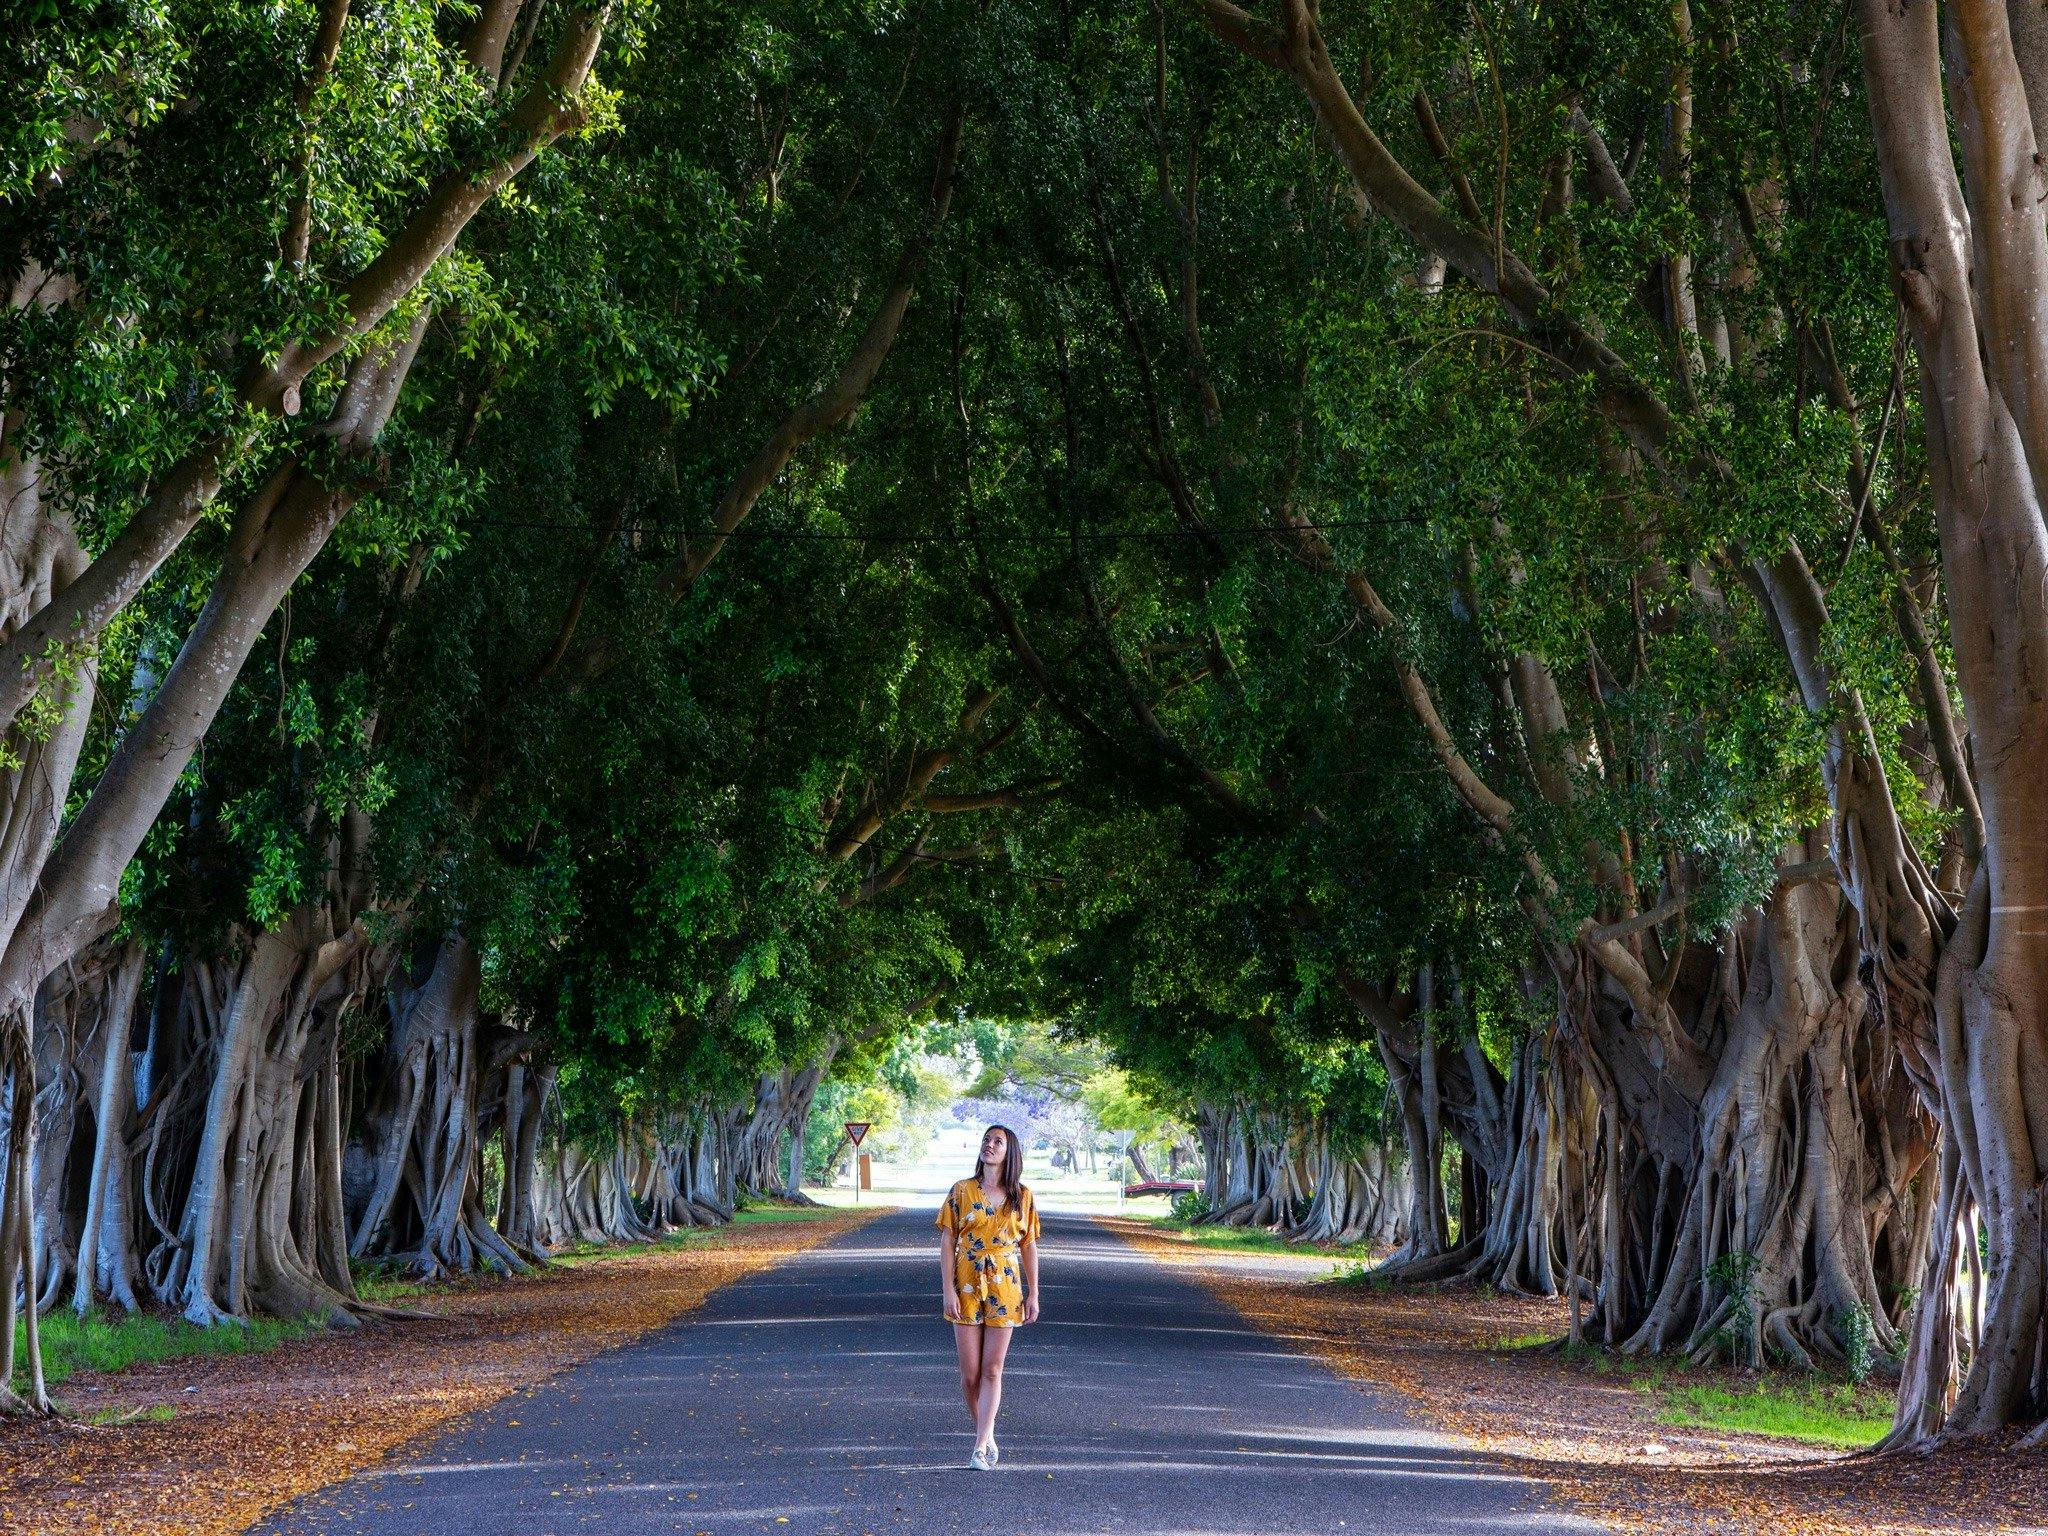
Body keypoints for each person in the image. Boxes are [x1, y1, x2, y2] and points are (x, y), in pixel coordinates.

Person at [936, 1123, 1040, 1471]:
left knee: (992, 1370)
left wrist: (1033, 1293)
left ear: (1010, 1152)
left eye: (998, 1142)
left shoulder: (1022, 1196)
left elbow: (1029, 1246)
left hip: (1006, 1284)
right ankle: (988, 1431)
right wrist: (947, 1289)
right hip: (966, 1281)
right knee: (970, 1374)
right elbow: (948, 1241)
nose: (990, 1146)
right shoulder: (961, 1191)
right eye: (987, 1140)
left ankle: (980, 1445)